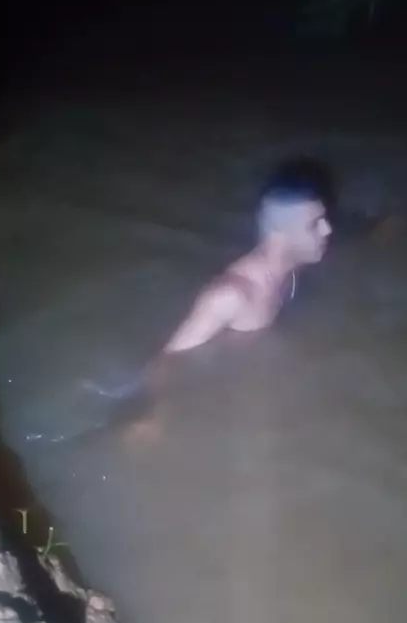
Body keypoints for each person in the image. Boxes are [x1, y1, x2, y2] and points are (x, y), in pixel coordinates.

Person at [122, 160, 332, 443]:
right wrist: (155, 416)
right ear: (281, 236)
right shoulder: (230, 296)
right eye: (314, 225)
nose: (327, 230)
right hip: (219, 400)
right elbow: (166, 360)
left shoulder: (295, 266)